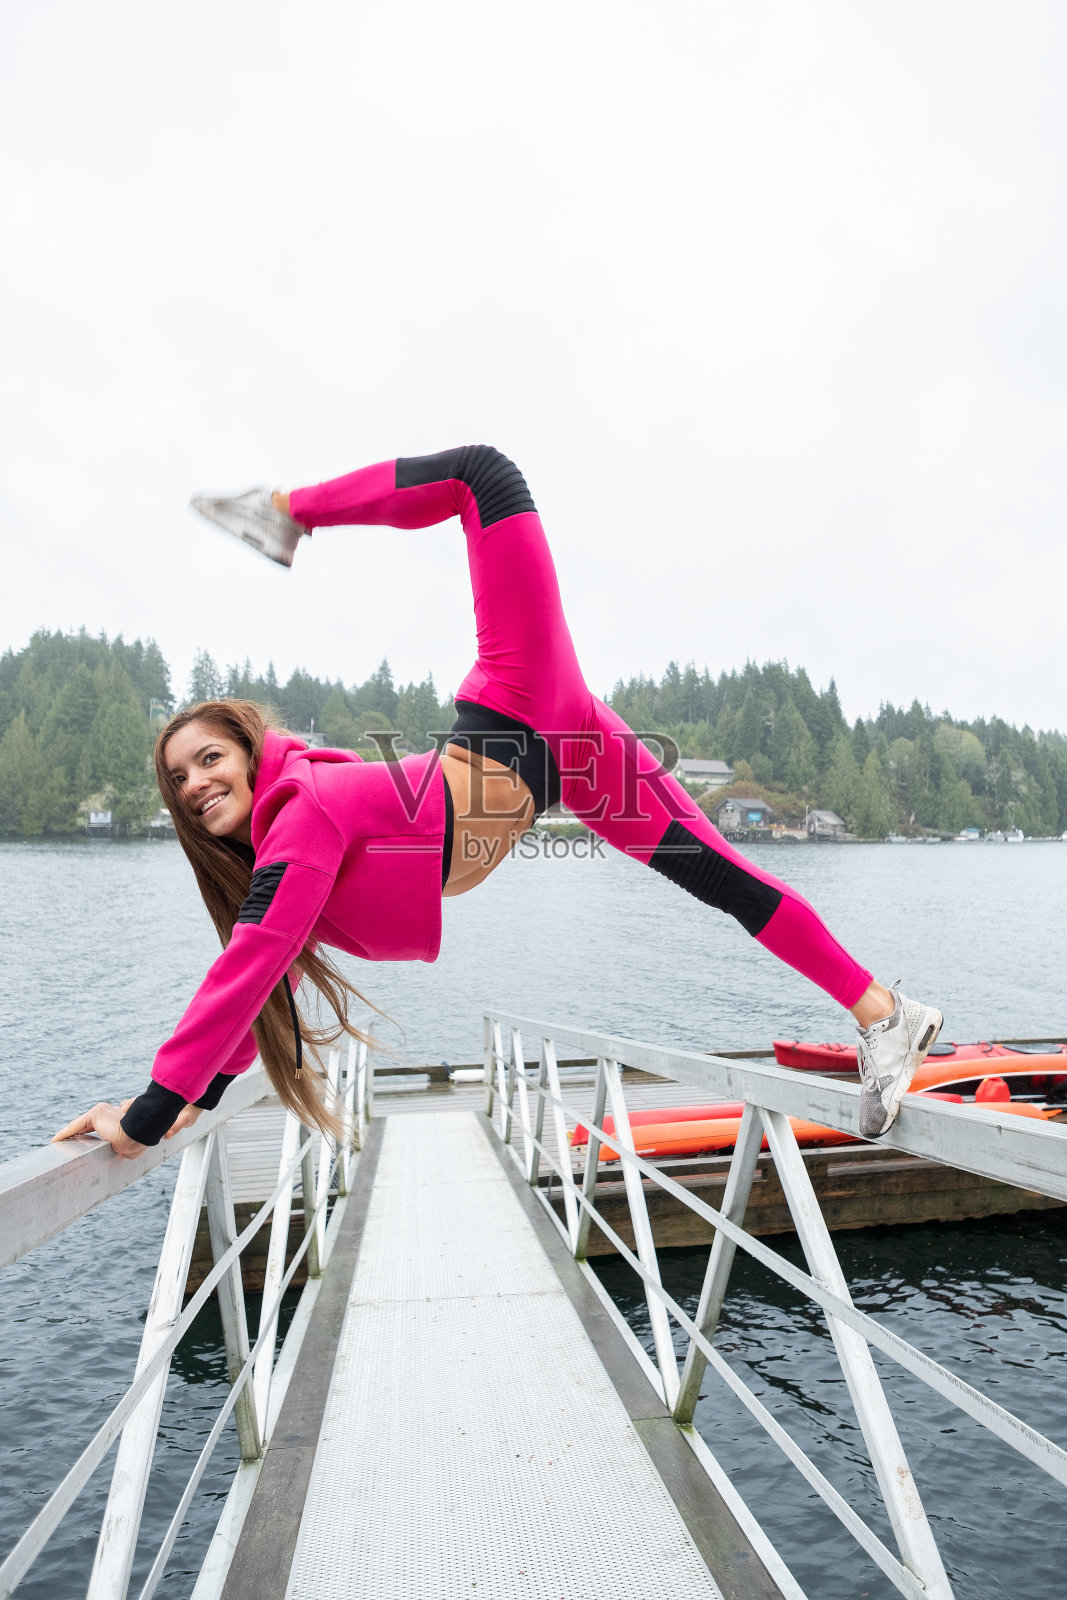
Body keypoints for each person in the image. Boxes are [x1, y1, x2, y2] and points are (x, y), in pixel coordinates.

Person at [53, 446, 942, 1159]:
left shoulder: (303, 810)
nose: (196, 781)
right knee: (722, 881)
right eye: (178, 780)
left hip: (519, 712)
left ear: (250, 758)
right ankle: (886, 1018)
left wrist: (143, 1114)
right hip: (564, 757)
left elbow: (245, 964)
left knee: (484, 475)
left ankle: (285, 509)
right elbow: (259, 988)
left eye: (208, 758)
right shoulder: (285, 856)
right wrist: (187, 1102)